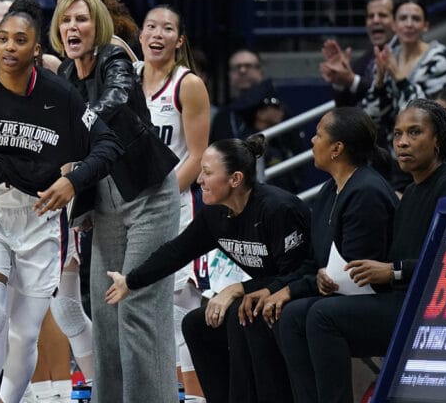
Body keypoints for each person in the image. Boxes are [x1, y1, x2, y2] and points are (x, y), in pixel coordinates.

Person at [0, 0, 121, 403]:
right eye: (3, 38)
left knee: (26, 334)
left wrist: (73, 181)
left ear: (37, 49)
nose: (9, 47)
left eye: (20, 40)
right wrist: (36, 173)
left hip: (41, 219)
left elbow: (108, 144)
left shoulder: (60, 95)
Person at [272, 98, 446, 403]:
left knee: (322, 315)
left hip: (428, 308)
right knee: (292, 316)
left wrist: (393, 271)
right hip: (396, 298)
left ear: (437, 139)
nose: (402, 142)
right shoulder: (411, 191)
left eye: (414, 132)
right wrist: (328, 276)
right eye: (397, 134)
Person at [105, 135, 310, 403]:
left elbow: (298, 273)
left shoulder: (278, 209)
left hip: (299, 292)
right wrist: (130, 281)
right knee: (196, 324)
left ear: (235, 179)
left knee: (240, 314)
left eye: (207, 173)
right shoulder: (216, 214)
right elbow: (176, 252)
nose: (199, 180)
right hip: (260, 293)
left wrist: (237, 289)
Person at [50, 0, 181, 403]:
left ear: (99, 26)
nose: (73, 27)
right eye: (67, 20)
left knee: (137, 307)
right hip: (105, 203)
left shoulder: (115, 58)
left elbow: (118, 95)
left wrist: (79, 127)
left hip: (149, 197)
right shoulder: (66, 75)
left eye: (82, 19)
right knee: (106, 316)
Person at [259, 107, 398, 403]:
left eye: (318, 135)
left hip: (380, 299)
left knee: (312, 314)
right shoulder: (328, 190)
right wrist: (281, 289)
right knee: (286, 315)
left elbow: (356, 271)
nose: (312, 140)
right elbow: (315, 261)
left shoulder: (367, 192)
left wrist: (303, 286)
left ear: (337, 149)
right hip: (343, 297)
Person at [134, 4, 210, 398]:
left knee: (181, 313)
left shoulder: (188, 84)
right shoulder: (126, 79)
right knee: (145, 313)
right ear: (140, 36)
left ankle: (196, 396)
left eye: (167, 29)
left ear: (179, 41)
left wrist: (159, 198)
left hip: (176, 209)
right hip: (130, 212)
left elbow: (197, 156)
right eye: (151, 26)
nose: (157, 34)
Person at [363, 0, 446, 140]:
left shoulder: (439, 58)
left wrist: (400, 79)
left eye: (416, 19)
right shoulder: (390, 57)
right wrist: (379, 83)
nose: (409, 24)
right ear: (394, 25)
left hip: (430, 145)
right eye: (403, 18)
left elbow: (430, 114)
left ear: (425, 26)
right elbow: (371, 117)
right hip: (395, 145)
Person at [320, 0, 395, 108]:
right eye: (370, 16)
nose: (375, 20)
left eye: (382, 15)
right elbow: (344, 110)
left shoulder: (406, 54)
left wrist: (352, 81)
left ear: (395, 21)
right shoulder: (362, 62)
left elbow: (392, 97)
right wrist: (340, 82)